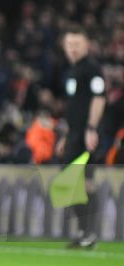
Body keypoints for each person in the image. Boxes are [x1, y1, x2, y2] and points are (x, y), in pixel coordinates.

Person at [57, 26, 104, 249]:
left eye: (77, 44)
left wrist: (92, 128)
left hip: (86, 134)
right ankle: (85, 231)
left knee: (83, 182)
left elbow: (99, 97)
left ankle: (89, 233)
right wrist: (67, 135)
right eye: (69, 44)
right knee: (70, 182)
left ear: (86, 45)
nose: (73, 48)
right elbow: (74, 107)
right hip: (75, 134)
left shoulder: (92, 69)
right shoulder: (72, 71)